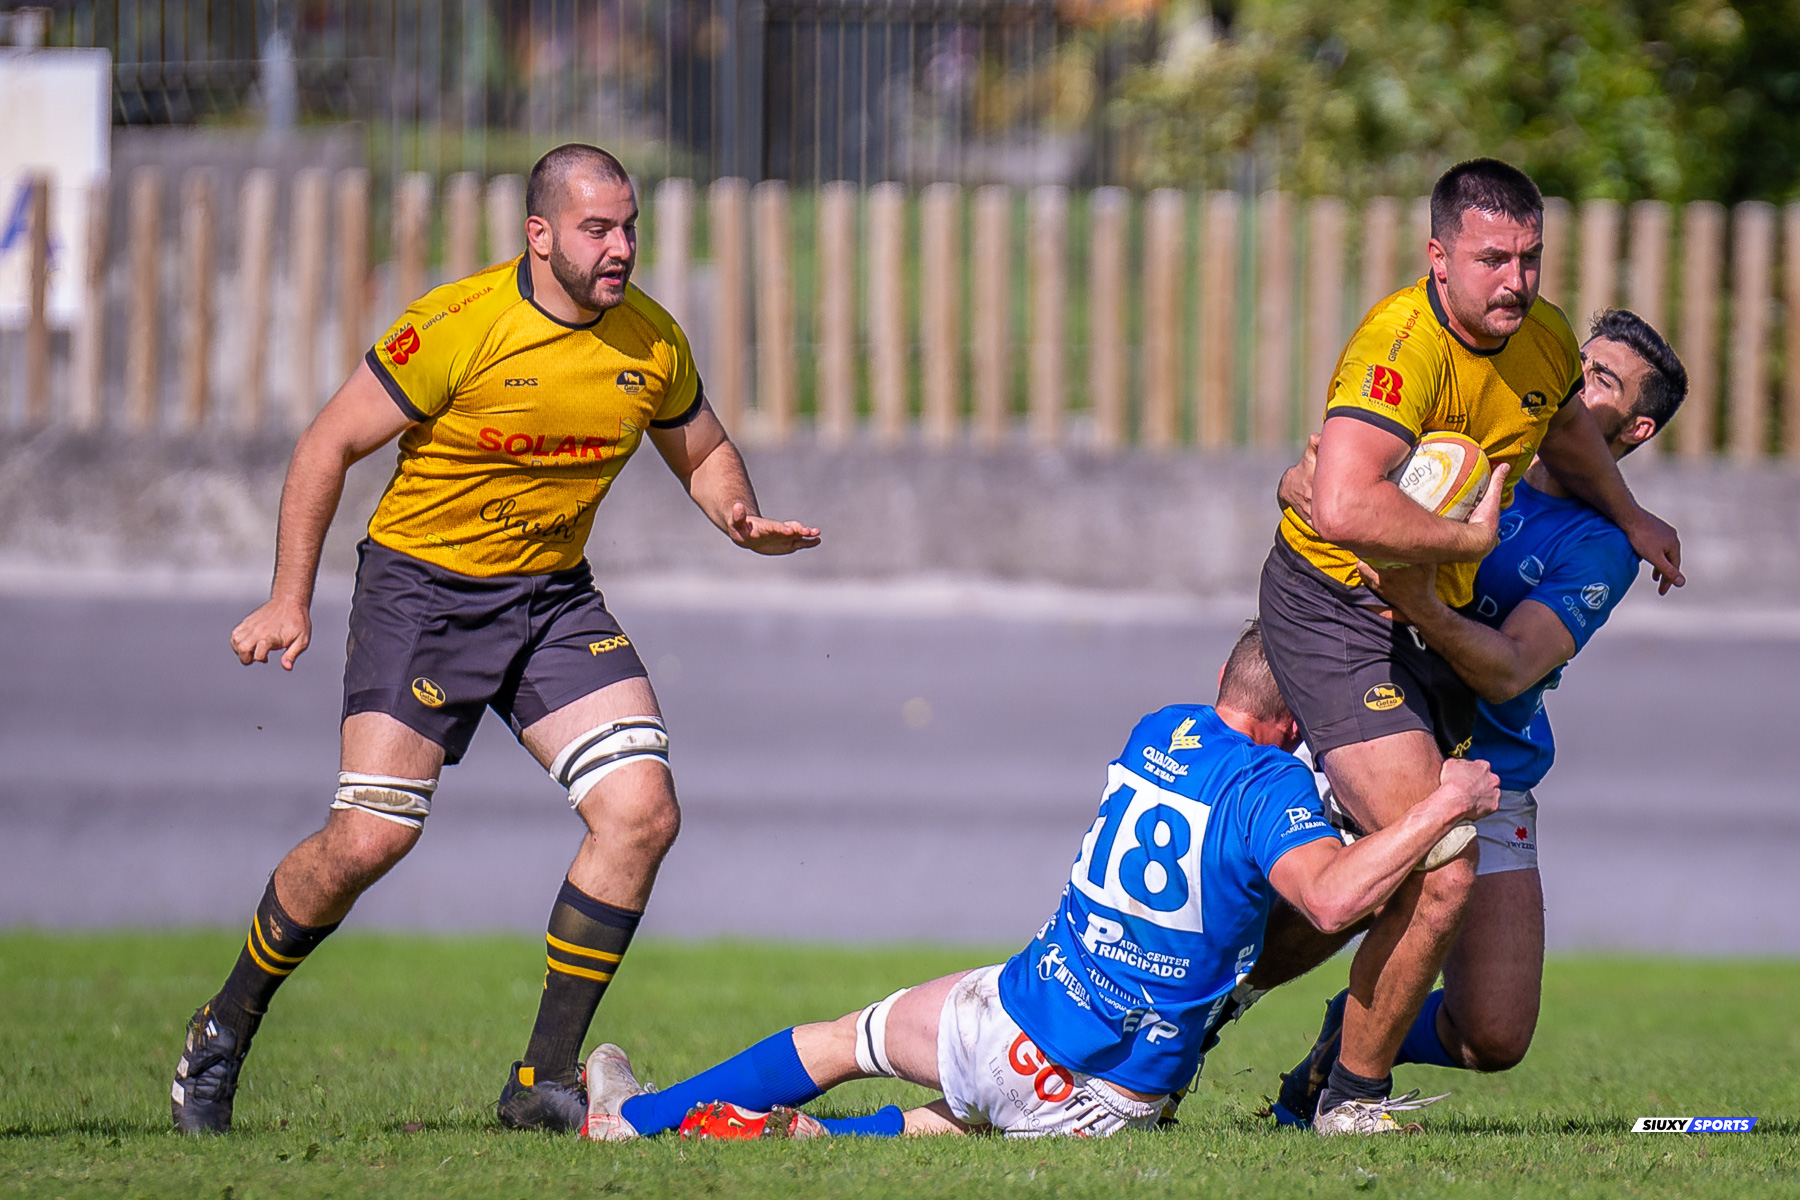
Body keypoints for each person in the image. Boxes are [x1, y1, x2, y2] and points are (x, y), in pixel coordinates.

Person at [170, 143, 820, 1135]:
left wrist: (738, 514)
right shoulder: (458, 326)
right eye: (598, 229)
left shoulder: (649, 340)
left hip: (551, 601)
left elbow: (704, 446)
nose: (621, 248)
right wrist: (288, 599)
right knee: (369, 839)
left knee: (641, 812)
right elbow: (326, 446)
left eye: (630, 227)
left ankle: (541, 1082)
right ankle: (222, 1029)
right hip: (421, 598)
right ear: (541, 233)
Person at [570, 624, 1501, 1142]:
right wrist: (1435, 804)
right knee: (962, 1124)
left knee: (844, 1039)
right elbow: (1335, 898)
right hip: (1106, 1098)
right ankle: (820, 1144)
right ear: (1298, 720)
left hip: (1013, 1017)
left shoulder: (1161, 726)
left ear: (1222, 678)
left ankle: (632, 1121)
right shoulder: (1273, 788)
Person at [1255, 158, 1683, 1134]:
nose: (1519, 283)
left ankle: (1340, 1047)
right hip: (1347, 635)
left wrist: (1630, 515)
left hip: (1478, 724)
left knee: (1495, 1029)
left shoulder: (1591, 536)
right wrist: (1417, 533)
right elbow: (1333, 490)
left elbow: (1504, 664)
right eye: (1496, 258)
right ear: (1440, 258)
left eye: (1531, 259)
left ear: (1640, 426)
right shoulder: (1417, 371)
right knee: (1411, 866)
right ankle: (1321, 1083)